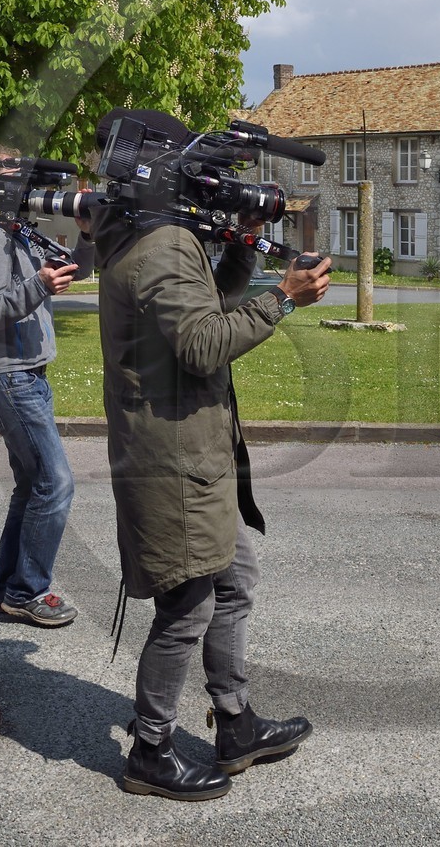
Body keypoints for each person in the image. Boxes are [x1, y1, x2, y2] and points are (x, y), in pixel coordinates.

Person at [92, 112, 333, 802]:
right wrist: (282, 301)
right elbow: (202, 346)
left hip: (190, 453)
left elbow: (202, 311)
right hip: (171, 463)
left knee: (235, 579)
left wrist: (243, 250)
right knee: (188, 606)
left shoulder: (152, 236)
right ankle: (151, 750)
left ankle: (235, 723)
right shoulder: (162, 244)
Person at [0, 145, 93, 627]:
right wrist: (42, 287)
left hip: (27, 376)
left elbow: (75, 269)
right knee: (56, 484)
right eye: (10, 169)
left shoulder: (18, 234)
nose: (22, 176)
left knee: (31, 485)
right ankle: (29, 591)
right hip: (8, 378)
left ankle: (6, 587)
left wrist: (86, 238)